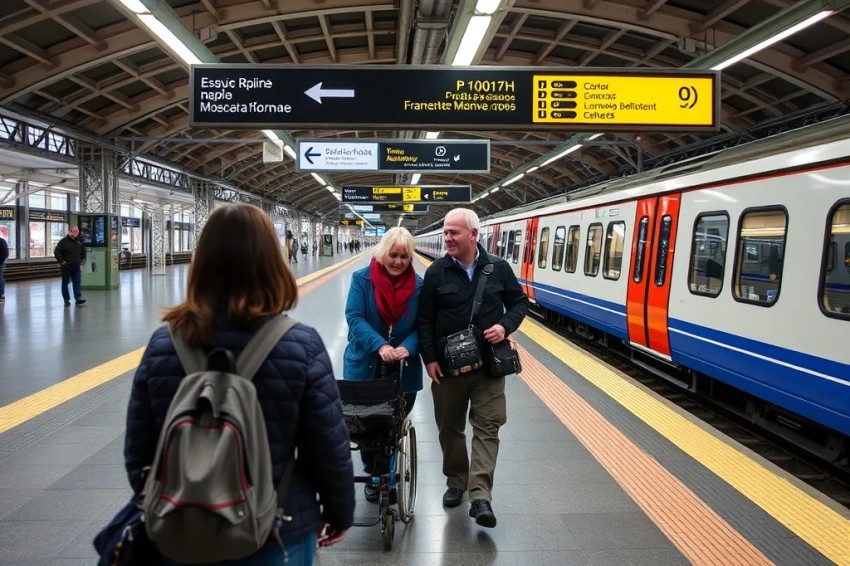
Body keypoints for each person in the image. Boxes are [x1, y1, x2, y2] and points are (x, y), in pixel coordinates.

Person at [124, 204, 354, 565]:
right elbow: (327, 445)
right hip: (278, 530)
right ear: (272, 263)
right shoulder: (301, 344)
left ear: (201, 263)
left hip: (179, 534)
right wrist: (339, 512)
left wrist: (184, 511)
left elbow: (139, 451)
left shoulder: (164, 343)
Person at [417, 207, 529, 529]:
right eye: (446, 232)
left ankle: (480, 495)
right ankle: (456, 480)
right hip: (448, 369)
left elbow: (520, 303)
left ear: (473, 234)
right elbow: (425, 319)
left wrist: (505, 326)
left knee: (488, 427)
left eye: (453, 232)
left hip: (489, 367)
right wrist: (430, 359)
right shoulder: (436, 273)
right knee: (449, 428)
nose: (447, 238)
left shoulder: (498, 269)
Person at [343, 227, 423, 502]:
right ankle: (374, 473)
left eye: (404, 256)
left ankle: (386, 472)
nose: (398, 261)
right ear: (382, 252)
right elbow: (354, 317)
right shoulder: (362, 279)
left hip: (402, 368)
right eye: (393, 255)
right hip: (365, 365)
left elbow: (423, 324)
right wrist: (380, 345)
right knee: (366, 423)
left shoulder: (419, 286)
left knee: (393, 424)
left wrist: (407, 347)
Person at [54, 226, 86, 306]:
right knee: (65, 283)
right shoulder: (63, 242)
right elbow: (57, 252)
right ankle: (66, 299)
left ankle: (78, 298)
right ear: (70, 232)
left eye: (77, 232)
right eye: (74, 231)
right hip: (66, 267)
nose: (76, 233)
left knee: (77, 282)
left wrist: (82, 262)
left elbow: (83, 253)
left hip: (76, 266)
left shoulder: (79, 242)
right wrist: (62, 261)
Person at [0, 233, 8, 302]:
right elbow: (6, 253)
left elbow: (5, 253)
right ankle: (1, 295)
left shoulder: (2, 241)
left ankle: (1, 294)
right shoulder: (2, 241)